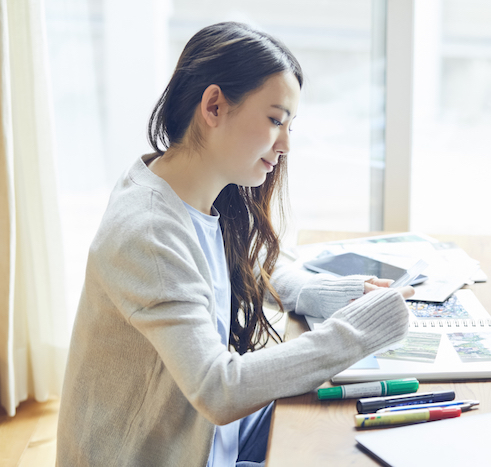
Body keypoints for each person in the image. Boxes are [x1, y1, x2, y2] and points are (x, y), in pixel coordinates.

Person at [56, 21, 413, 466]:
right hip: (168, 453)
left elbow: (241, 267)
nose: (285, 145)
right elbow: (217, 388)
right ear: (214, 106)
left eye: (290, 125)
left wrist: (326, 294)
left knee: (376, 427)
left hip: (211, 439)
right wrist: (359, 331)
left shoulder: (194, 189)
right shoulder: (147, 231)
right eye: (274, 120)